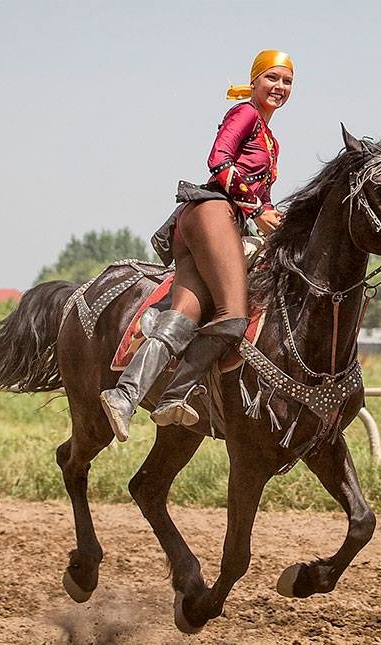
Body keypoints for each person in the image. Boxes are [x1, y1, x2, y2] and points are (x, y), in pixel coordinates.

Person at [99, 50, 294, 441]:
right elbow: (219, 162)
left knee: (186, 311)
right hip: (213, 212)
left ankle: (125, 395)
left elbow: (264, 196)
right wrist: (255, 209)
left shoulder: (272, 140)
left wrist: (275, 219)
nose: (280, 87)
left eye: (287, 82)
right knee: (234, 317)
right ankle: (178, 391)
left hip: (212, 221)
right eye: (272, 78)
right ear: (254, 82)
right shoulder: (245, 114)